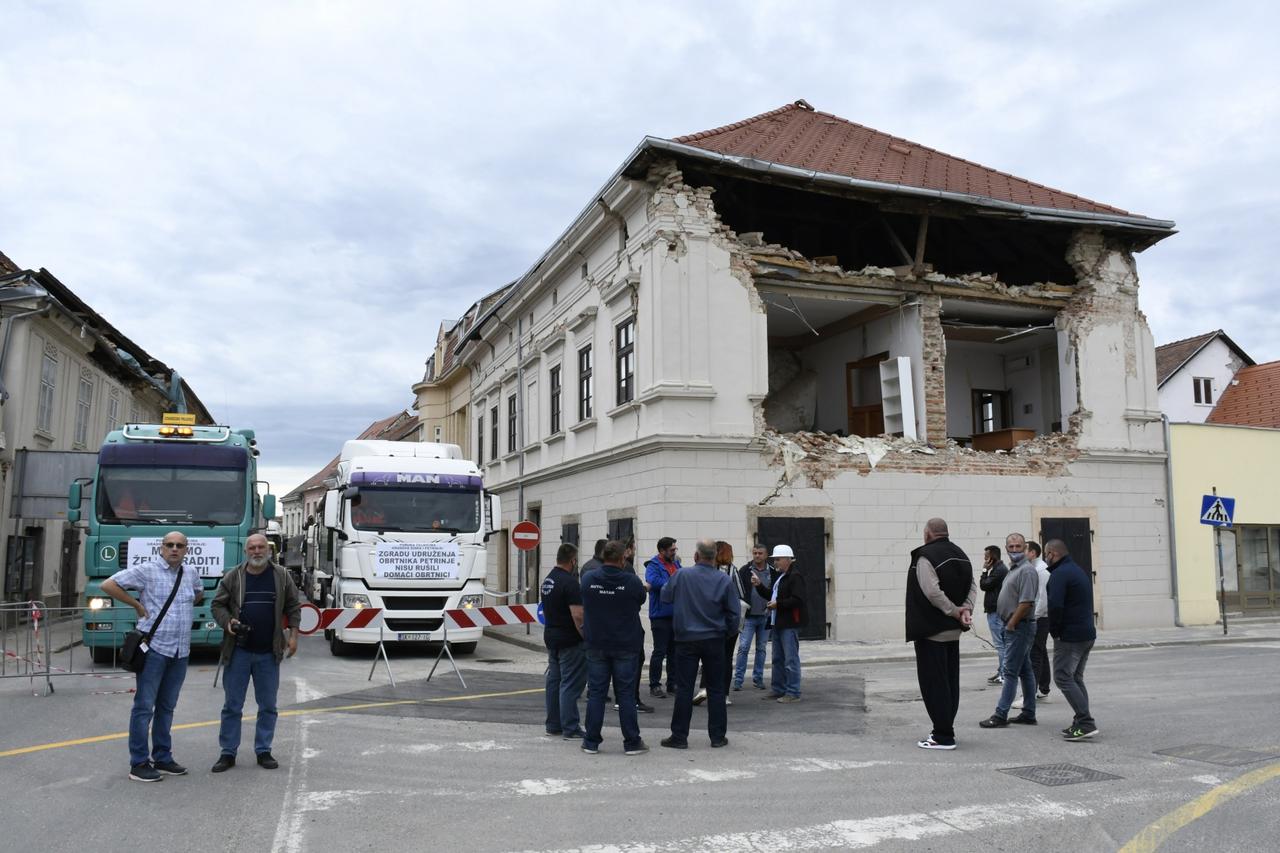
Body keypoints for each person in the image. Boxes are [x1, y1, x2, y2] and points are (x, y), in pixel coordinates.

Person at [100, 531, 205, 782]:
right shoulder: (147, 570)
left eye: (179, 545)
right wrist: (137, 605)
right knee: (144, 707)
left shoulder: (190, 573)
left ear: (186, 549)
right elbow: (108, 585)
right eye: (169, 545)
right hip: (155, 649)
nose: (174, 549)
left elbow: (198, 593)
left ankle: (163, 758)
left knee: (167, 707)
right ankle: (138, 763)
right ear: (161, 548)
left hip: (180, 651)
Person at [210, 532, 302, 771]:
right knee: (232, 705)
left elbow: (293, 606)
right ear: (246, 551)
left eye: (261, 547)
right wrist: (228, 622)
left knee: (268, 706)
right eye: (252, 548)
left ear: (269, 550)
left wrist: (293, 636)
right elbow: (217, 605)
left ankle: (263, 750)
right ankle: (228, 752)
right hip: (238, 652)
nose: (257, 551)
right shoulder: (233, 576)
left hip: (268, 653)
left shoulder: (281, 576)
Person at [660, 538, 740, 749]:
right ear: (715, 557)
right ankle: (717, 736)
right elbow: (734, 613)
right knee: (716, 689)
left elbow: (665, 596)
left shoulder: (682, 575)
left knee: (684, 688)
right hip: (714, 638)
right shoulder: (724, 580)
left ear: (696, 556)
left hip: (686, 638)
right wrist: (727, 633)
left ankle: (679, 736)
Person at [905, 518, 976, 750]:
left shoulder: (925, 556)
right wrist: (966, 610)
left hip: (931, 630)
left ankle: (943, 735)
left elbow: (932, 592)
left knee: (934, 684)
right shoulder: (961, 554)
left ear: (927, 534)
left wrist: (955, 611)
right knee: (949, 683)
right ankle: (946, 728)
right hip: (953, 632)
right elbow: (972, 586)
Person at [580, 540, 649, 755]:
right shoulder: (631, 581)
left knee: (596, 693)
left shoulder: (589, 579)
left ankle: (591, 741)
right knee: (626, 694)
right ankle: (632, 742)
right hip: (625, 644)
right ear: (622, 558)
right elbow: (640, 599)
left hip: (596, 643)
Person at [979, 533, 1038, 729]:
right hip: (1014, 625)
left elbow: (1026, 602)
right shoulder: (1014, 569)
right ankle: (1028, 713)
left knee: (1010, 671)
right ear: (1006, 548)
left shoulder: (1027, 571)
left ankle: (1000, 714)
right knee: (1025, 670)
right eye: (1011, 547)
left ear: (1025, 548)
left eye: (1018, 546)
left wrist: (1012, 623)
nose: (1014, 550)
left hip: (1020, 626)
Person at [1044, 539, 1099, 741]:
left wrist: (1055, 631)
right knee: (1075, 678)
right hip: (1086, 632)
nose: (1045, 558)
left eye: (1046, 554)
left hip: (1070, 635)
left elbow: (1055, 605)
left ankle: (1086, 722)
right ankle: (1081, 719)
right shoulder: (1076, 570)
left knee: (1062, 677)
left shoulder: (1060, 574)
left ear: (1052, 553)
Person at [537, 542, 587, 740]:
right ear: (573, 560)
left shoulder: (548, 580)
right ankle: (570, 727)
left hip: (552, 637)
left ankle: (553, 724)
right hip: (569, 640)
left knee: (554, 682)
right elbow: (578, 615)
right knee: (570, 684)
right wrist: (585, 636)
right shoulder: (570, 582)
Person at [693, 541, 744, 706]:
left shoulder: (706, 571)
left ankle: (704, 688)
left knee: (708, 656)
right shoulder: (732, 570)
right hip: (728, 621)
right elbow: (741, 594)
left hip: (709, 621)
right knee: (726, 658)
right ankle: (724, 695)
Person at [757, 544, 806, 703]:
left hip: (789, 624)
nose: (775, 562)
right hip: (778, 623)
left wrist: (778, 604)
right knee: (777, 659)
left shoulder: (795, 576)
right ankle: (778, 689)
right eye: (775, 559)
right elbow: (771, 595)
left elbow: (798, 600)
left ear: (787, 559)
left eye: (778, 559)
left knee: (790, 660)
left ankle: (793, 692)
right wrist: (759, 586)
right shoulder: (782, 577)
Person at [618, 538, 655, 714]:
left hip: (614, 624)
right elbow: (638, 596)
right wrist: (645, 588)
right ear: (626, 551)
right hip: (629, 623)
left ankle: (623, 699)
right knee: (635, 661)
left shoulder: (599, 573)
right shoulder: (628, 570)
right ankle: (631, 699)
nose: (634, 552)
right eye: (633, 549)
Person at [644, 537, 681, 698]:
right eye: (672, 550)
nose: (674, 552)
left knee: (674, 652)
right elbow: (654, 582)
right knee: (659, 651)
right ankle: (655, 685)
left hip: (676, 614)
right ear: (662, 551)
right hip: (660, 615)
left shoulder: (676, 563)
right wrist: (674, 582)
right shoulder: (653, 565)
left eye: (675, 549)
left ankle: (672, 684)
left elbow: (682, 578)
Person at [733, 544, 772, 691]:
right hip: (748, 617)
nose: (757, 556)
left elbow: (775, 591)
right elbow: (737, 590)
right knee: (743, 647)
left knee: (761, 648)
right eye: (755, 553)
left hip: (765, 616)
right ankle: (738, 680)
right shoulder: (745, 570)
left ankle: (758, 678)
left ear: (766, 555)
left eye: (760, 553)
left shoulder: (772, 571)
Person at [1025, 541, 1052, 704]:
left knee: (1034, 654)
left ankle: (1030, 693)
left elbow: (1043, 598)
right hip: (1038, 616)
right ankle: (1044, 688)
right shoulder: (1034, 568)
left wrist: (1033, 617)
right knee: (1041, 652)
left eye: (1024, 549)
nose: (1021, 552)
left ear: (1033, 553)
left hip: (1040, 617)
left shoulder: (1041, 571)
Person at [978, 545, 1008, 684]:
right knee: (1001, 643)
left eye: (986, 557)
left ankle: (1003, 674)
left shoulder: (999, 570)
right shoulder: (997, 569)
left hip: (996, 611)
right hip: (994, 610)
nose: (985, 559)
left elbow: (984, 585)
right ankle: (1002, 671)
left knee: (1000, 644)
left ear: (992, 557)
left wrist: (984, 570)